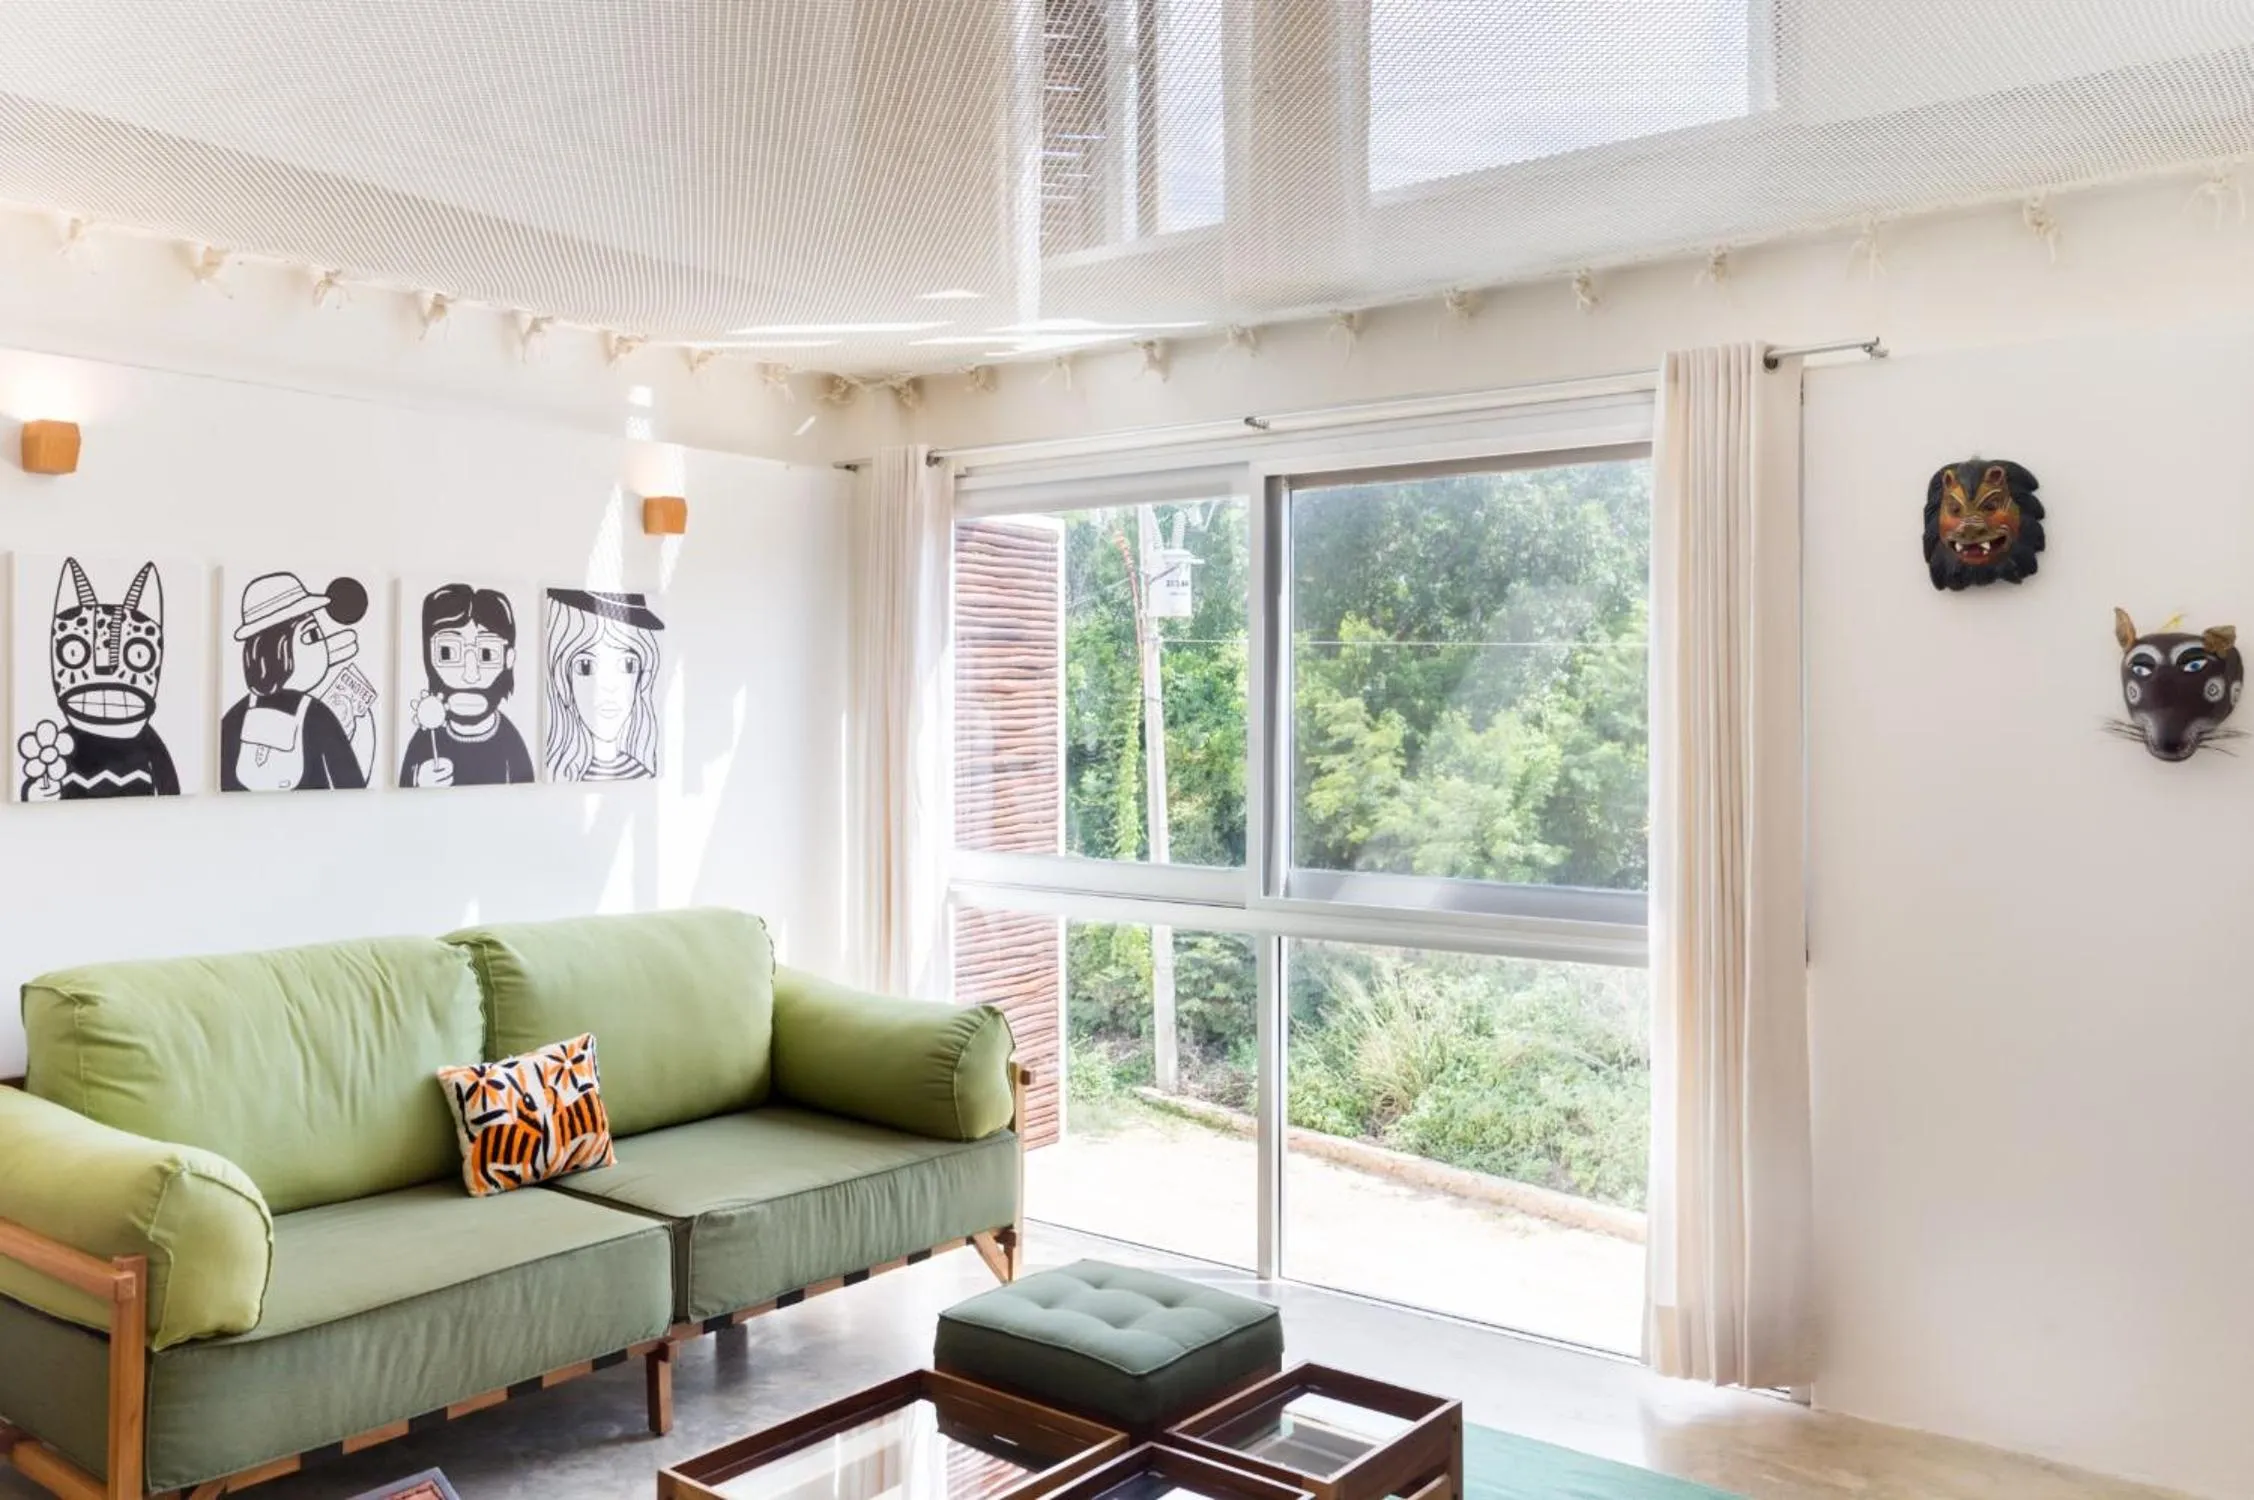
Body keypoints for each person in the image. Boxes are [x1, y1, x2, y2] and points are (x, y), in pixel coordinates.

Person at [220, 571, 370, 792]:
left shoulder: (236, 716)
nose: (323, 646)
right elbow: (350, 782)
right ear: (276, 650)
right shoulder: (318, 717)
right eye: (311, 636)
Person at [400, 584, 535, 787]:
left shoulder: (511, 742)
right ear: (428, 655)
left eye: (487, 654)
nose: (470, 675)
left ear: (509, 658)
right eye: (448, 653)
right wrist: (419, 781)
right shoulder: (425, 740)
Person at [543, 588, 664, 782]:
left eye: (628, 664)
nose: (609, 686)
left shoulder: (643, 774)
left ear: (642, 676)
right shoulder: (560, 772)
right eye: (586, 666)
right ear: (563, 677)